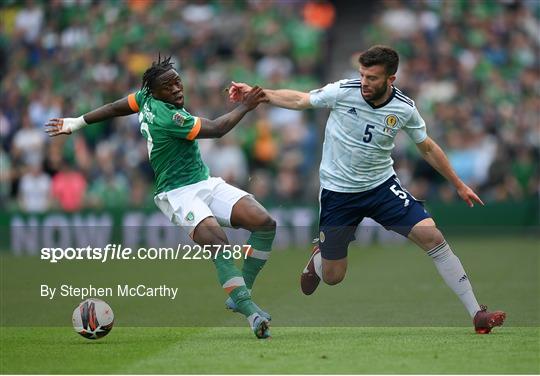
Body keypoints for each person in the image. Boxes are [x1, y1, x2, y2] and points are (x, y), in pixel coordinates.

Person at [229, 45, 506, 334]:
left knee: (432, 236)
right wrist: (259, 95)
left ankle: (477, 313)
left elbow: (427, 146)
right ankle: (319, 258)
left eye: (372, 77)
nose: (364, 82)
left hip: (381, 187)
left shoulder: (404, 108)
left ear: (391, 79)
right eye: (362, 74)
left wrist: (458, 184)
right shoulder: (343, 91)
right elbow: (301, 99)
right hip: (338, 194)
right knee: (334, 277)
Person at [46, 56, 276, 339]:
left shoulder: (145, 97)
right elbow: (216, 129)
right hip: (177, 193)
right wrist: (246, 105)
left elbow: (118, 106)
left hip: (204, 181)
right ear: (155, 92)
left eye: (177, 81)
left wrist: (78, 121)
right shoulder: (171, 117)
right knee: (218, 243)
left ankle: (242, 293)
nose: (177, 89)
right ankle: (250, 311)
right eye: (169, 86)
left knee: (265, 222)